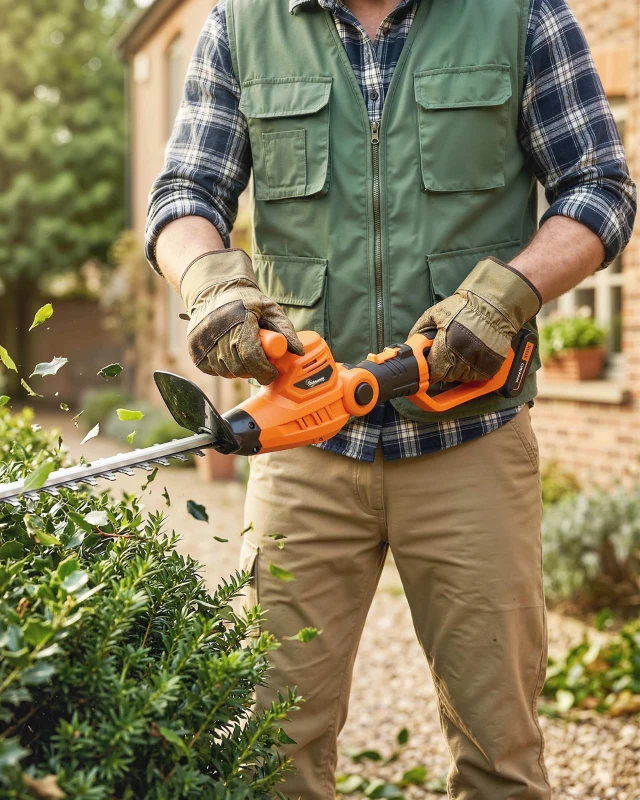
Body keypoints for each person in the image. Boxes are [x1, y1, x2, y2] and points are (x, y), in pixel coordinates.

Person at [146, 0, 636, 796]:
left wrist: (509, 293)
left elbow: (599, 189)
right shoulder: (241, 25)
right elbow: (183, 197)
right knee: (271, 748)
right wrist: (209, 283)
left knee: (501, 756)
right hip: (303, 446)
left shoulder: (520, 14)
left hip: (471, 443)